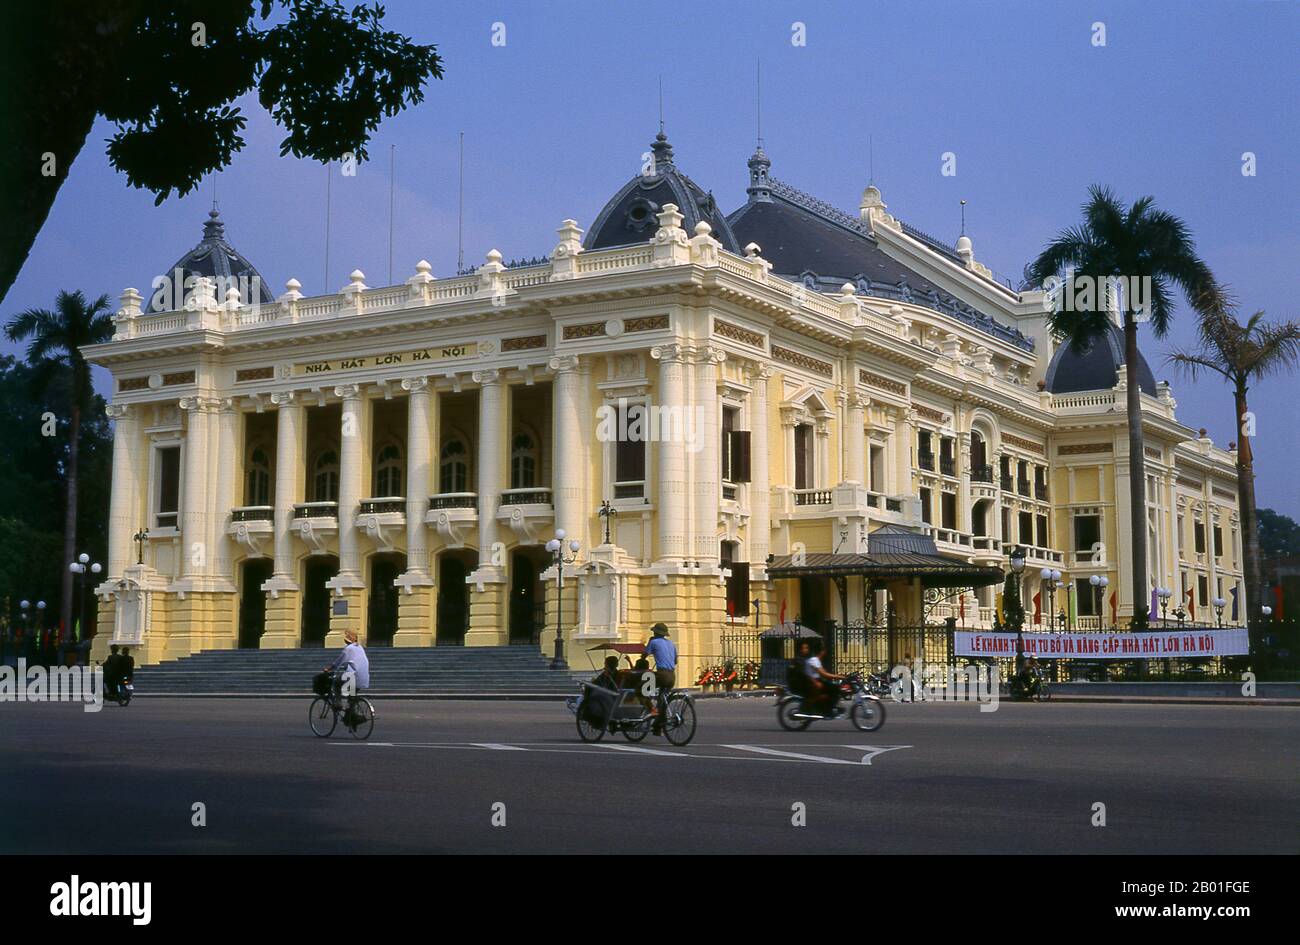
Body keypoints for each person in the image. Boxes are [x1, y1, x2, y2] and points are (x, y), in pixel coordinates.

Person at [324, 629, 369, 721]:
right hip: (364, 677)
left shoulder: (348, 649)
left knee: (336, 683)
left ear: (346, 639)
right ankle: (351, 716)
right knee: (351, 696)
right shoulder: (360, 647)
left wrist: (328, 669)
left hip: (353, 677)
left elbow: (338, 662)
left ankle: (338, 703)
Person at [643, 623, 677, 735]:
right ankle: (658, 727)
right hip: (672, 676)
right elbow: (675, 661)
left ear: (656, 633)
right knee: (661, 700)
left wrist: (650, 643)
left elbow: (644, 656)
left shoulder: (654, 642)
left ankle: (652, 710)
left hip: (662, 674)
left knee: (642, 689)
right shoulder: (671, 644)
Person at [803, 637, 845, 717]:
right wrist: (839, 677)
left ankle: (825, 707)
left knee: (832, 687)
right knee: (835, 689)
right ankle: (828, 710)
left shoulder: (815, 660)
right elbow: (824, 674)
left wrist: (837, 676)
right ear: (821, 652)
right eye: (824, 650)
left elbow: (824, 673)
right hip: (813, 682)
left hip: (816, 681)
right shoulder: (814, 660)